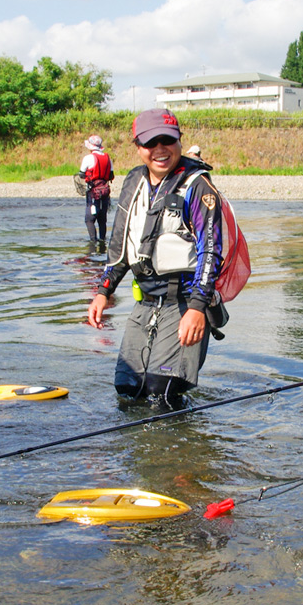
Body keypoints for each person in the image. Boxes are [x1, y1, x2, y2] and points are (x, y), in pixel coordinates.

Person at [86, 109, 228, 403]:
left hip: (184, 303)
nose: (160, 150)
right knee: (128, 390)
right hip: (146, 302)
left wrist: (198, 307)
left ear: (179, 141)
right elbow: (119, 243)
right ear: (138, 146)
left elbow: (211, 249)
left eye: (168, 140)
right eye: (151, 143)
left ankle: (178, 448)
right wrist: (103, 291)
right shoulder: (133, 181)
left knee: (160, 394)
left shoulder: (199, 186)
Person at [79, 134, 114, 249]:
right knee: (102, 218)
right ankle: (103, 242)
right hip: (105, 191)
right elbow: (111, 175)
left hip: (93, 192)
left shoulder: (88, 158)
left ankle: (93, 243)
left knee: (89, 220)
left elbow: (81, 173)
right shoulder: (107, 158)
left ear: (90, 146)